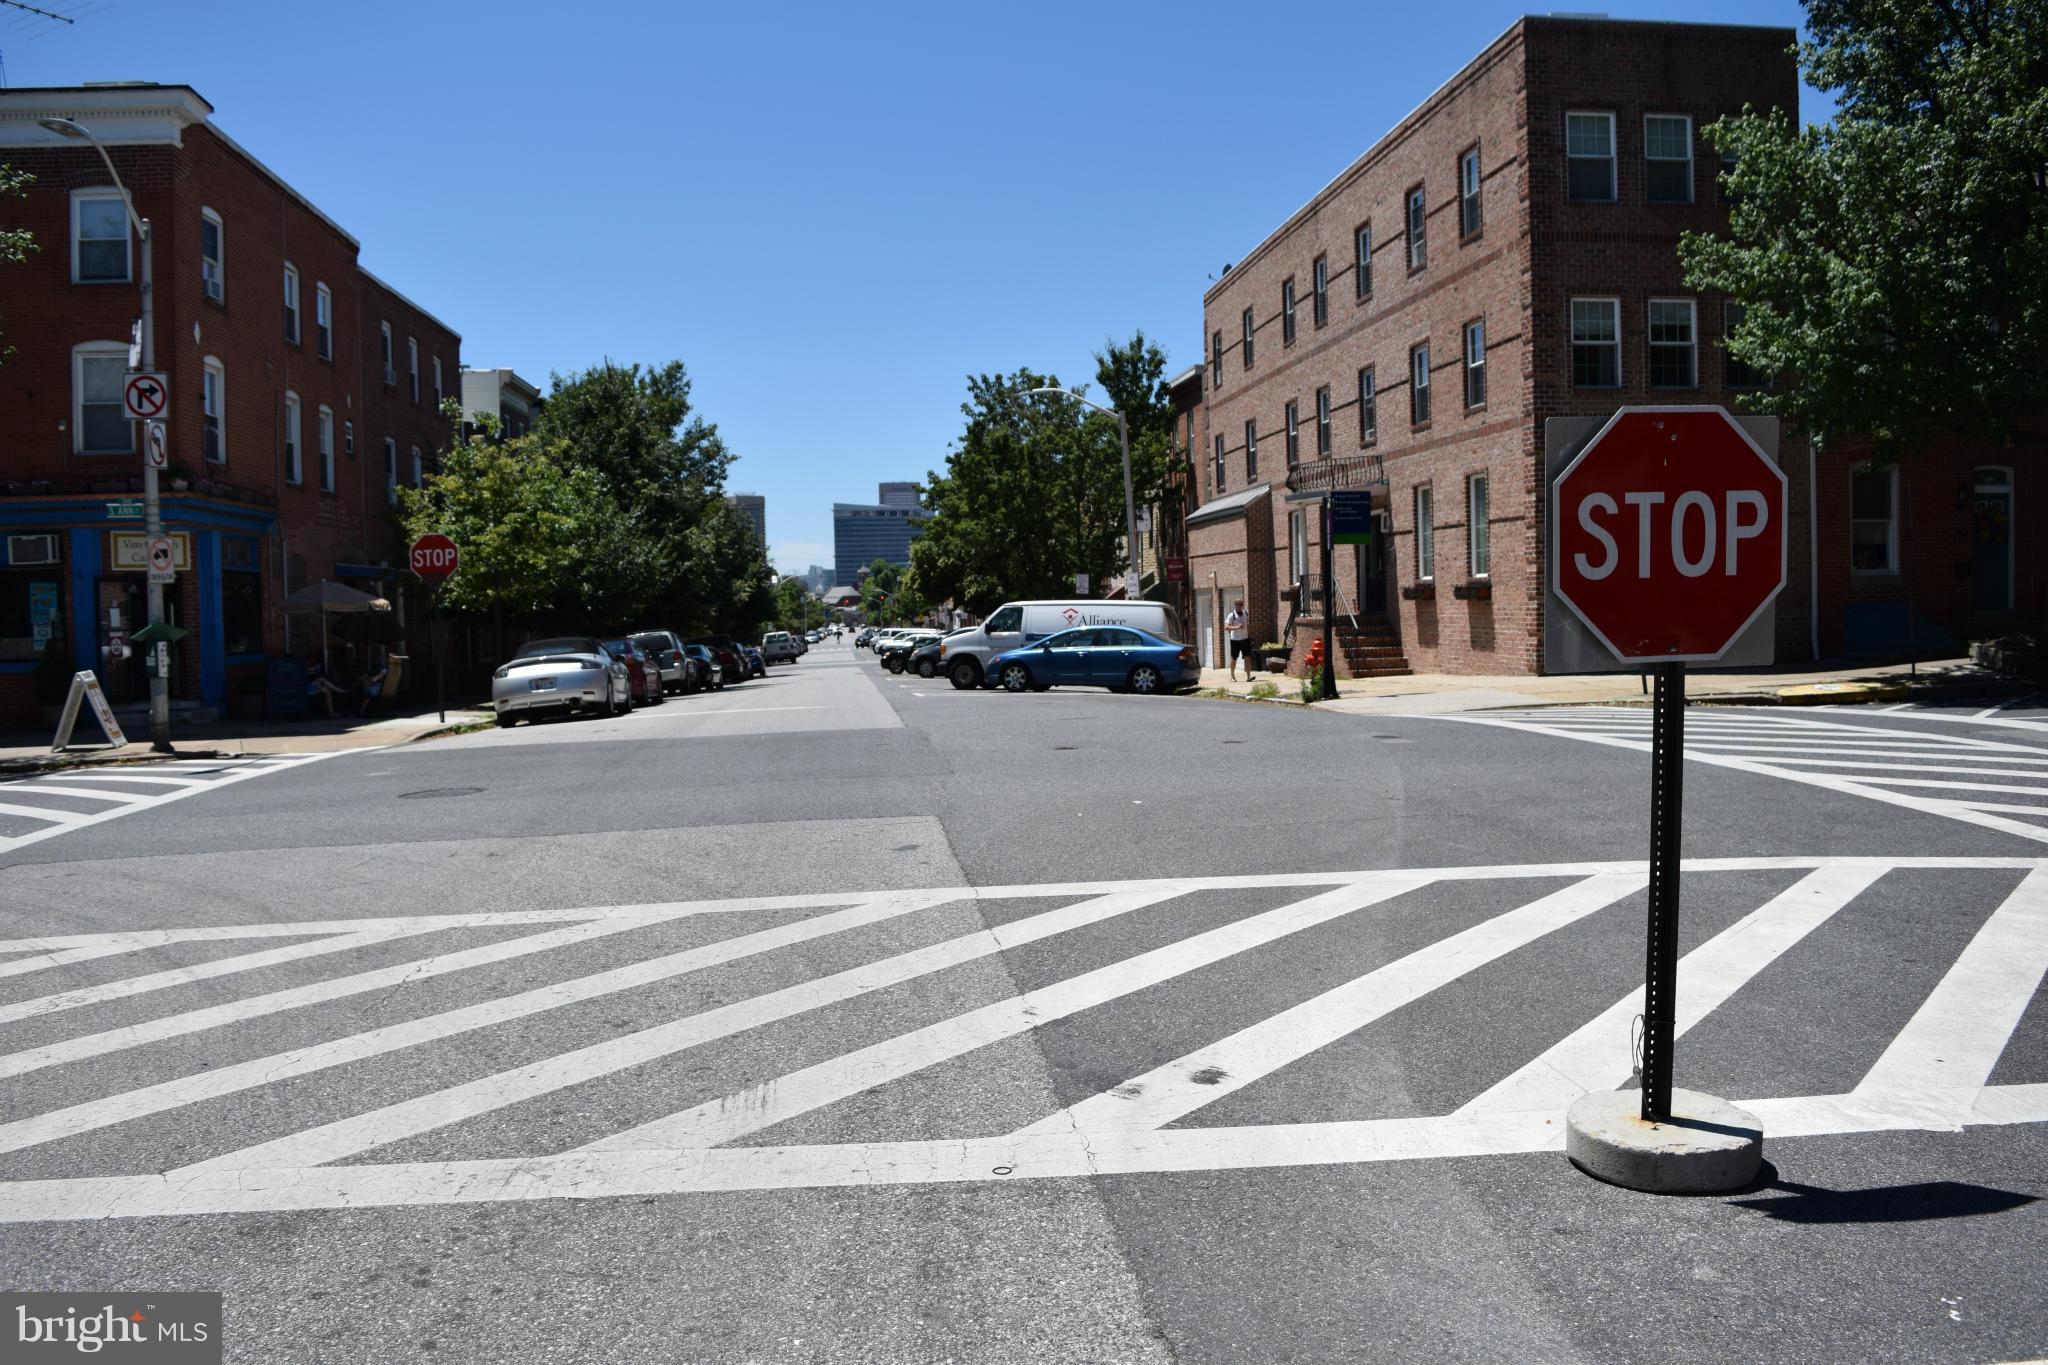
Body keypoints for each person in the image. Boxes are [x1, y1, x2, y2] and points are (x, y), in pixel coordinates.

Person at [1225, 599, 1251, 681]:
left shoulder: (1246, 613)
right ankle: (1232, 676)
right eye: (1238, 605)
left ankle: (1249, 676)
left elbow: (1247, 624)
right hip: (1235, 640)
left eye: (1241, 604)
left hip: (1245, 639)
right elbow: (1226, 627)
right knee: (1234, 658)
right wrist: (1237, 627)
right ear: (1235, 605)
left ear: (1242, 605)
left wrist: (1249, 634)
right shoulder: (1232, 615)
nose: (1239, 606)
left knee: (1247, 657)